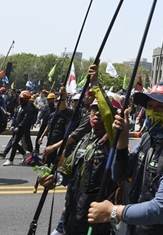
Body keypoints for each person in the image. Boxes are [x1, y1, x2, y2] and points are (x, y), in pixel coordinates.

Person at [87, 81, 163, 234]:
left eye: (160, 107)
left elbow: (161, 209)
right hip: (136, 228)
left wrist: (113, 211)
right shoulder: (148, 138)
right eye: (150, 107)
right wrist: (122, 140)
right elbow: (119, 175)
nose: (153, 112)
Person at [39, 96, 116, 235]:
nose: (97, 113)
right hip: (73, 214)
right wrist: (53, 179)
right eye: (94, 109)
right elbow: (67, 170)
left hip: (96, 222)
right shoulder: (85, 140)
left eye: (102, 110)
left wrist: (95, 83)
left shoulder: (113, 144)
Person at [3, 90, 35, 166]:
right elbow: (15, 117)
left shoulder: (28, 108)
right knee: (14, 143)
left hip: (22, 128)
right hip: (16, 127)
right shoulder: (19, 107)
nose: (19, 100)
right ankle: (11, 159)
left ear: (26, 99)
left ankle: (23, 154)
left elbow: (26, 119)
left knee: (14, 142)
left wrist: (19, 127)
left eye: (21, 98)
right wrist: (12, 125)